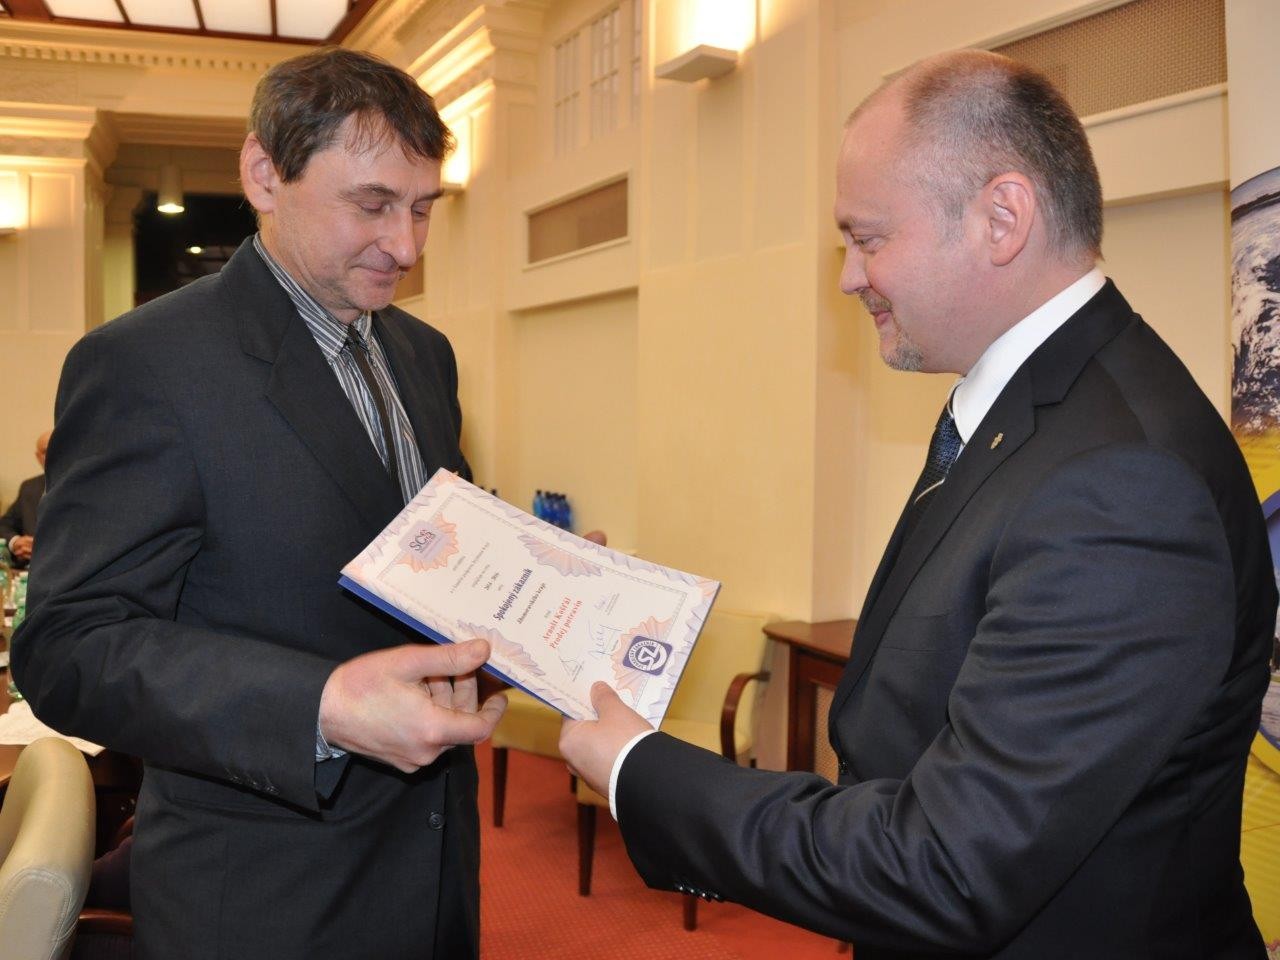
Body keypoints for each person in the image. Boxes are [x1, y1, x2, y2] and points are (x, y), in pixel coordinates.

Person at [560, 49, 1276, 959]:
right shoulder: (1032, 412)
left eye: (867, 239)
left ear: (1002, 219)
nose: (848, 277)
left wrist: (642, 773)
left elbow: (948, 864)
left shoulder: (1123, 484)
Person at [12, 48, 507, 960]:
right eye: (373, 204)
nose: (406, 246)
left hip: (436, 867)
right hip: (264, 895)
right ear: (263, 174)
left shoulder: (424, 355)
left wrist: (531, 581)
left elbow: (429, 545)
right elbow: (68, 647)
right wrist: (320, 705)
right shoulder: (145, 363)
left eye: (422, 207)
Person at [0, 430, 50, 567]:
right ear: (38, 457)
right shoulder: (29, 487)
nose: (52, 454)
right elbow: (4, 525)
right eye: (46, 451)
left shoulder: (83, 486)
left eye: (56, 448)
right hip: (28, 570)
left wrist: (43, 549)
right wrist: (16, 542)